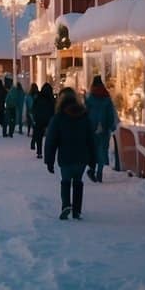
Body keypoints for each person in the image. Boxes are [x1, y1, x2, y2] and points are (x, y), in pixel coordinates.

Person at [44, 88, 97, 220]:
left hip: (66, 157)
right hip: (82, 157)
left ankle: (66, 205)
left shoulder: (58, 118)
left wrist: (49, 160)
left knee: (66, 181)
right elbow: (91, 140)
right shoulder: (84, 117)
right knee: (78, 182)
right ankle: (77, 210)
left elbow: (51, 140)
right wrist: (93, 160)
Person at [85, 76, 118, 180]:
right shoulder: (106, 98)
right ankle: (99, 172)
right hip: (104, 127)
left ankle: (92, 169)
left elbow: (85, 113)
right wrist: (111, 126)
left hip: (92, 127)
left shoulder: (90, 98)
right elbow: (111, 114)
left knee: (93, 150)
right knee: (103, 150)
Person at [29, 84, 56, 160]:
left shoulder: (38, 97)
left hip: (39, 119)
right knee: (51, 137)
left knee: (39, 136)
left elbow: (34, 107)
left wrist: (35, 116)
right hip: (49, 120)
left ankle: (39, 152)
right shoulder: (51, 99)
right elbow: (54, 109)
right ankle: (50, 152)